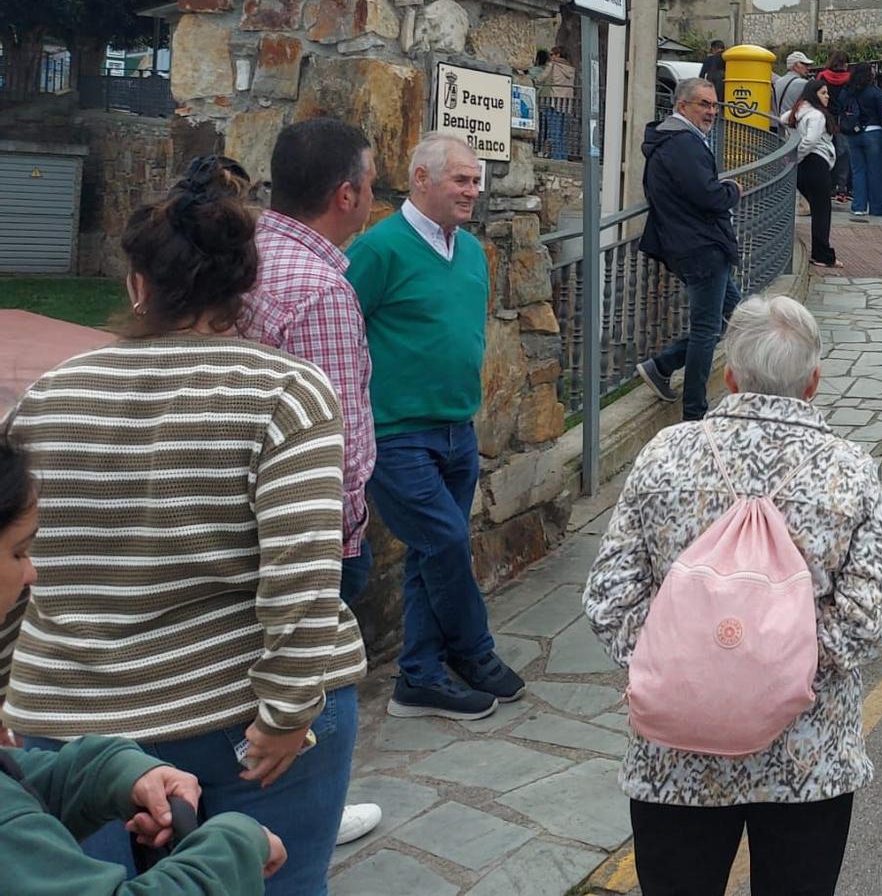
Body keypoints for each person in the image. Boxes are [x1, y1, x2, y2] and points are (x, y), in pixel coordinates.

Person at [4, 160, 365, 893]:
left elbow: (12, 561)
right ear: (244, 286)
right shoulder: (285, 395)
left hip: (70, 722)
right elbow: (303, 568)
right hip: (245, 723)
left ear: (137, 285)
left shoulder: (44, 401)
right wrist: (290, 710)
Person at [583, 296, 882, 896]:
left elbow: (609, 596)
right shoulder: (848, 471)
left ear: (728, 373)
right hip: (807, 755)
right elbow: (869, 619)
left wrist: (685, 664)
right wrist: (775, 668)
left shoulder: (664, 456)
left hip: (677, 752)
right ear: (813, 381)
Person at [0, 434, 289, 892]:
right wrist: (237, 845)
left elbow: (14, 791)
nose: (32, 572)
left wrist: (110, 772)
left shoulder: (47, 393)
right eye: (18, 551)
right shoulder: (285, 393)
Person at [237, 118, 384, 847]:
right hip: (306, 533)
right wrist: (348, 538)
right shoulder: (321, 288)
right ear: (346, 194)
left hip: (235, 517)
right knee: (309, 685)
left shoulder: (244, 253)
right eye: (373, 183)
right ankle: (304, 822)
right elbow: (342, 446)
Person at [347, 132, 523, 722]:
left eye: (476, 180)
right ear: (422, 180)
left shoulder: (470, 251)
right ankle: (474, 652)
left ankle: (418, 677)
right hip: (397, 432)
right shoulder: (378, 250)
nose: (474, 191)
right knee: (445, 541)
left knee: (431, 553)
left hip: (458, 429)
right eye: (462, 181)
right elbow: (344, 331)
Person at [638, 78, 742, 422]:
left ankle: (661, 366)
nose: (711, 112)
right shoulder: (683, 143)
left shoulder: (674, 141)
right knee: (707, 330)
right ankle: (695, 414)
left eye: (714, 105)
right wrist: (733, 191)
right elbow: (708, 196)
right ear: (682, 106)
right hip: (701, 247)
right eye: (704, 104)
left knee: (736, 316)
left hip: (696, 244)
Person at [788, 80, 839, 269]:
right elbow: (810, 141)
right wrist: (795, 157)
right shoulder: (817, 115)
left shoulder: (799, 112)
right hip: (816, 163)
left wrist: (794, 159)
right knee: (822, 211)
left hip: (804, 167)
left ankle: (822, 253)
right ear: (813, 94)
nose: (827, 96)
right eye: (823, 93)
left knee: (819, 210)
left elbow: (784, 118)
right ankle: (823, 255)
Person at [847, 63, 882, 220]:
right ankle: (877, 207)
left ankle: (859, 206)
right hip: (873, 132)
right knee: (875, 171)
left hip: (853, 133)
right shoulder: (874, 92)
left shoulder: (850, 91)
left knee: (858, 171)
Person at [821, 52, 855, 202]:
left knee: (826, 151)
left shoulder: (822, 76)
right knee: (843, 154)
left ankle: (827, 184)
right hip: (842, 120)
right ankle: (842, 187)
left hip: (825, 118)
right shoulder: (849, 79)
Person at [539, 46, 577, 161]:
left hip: (554, 101)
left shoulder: (553, 65)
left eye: (552, 54)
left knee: (553, 130)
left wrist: (533, 80)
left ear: (558, 55)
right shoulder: (571, 68)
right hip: (566, 103)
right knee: (562, 132)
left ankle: (556, 157)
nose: (550, 57)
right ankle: (562, 156)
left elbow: (542, 77)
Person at [776, 51, 816, 119]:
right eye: (805, 64)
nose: (808, 68)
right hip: (795, 123)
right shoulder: (803, 83)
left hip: (780, 123)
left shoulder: (778, 82)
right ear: (796, 65)